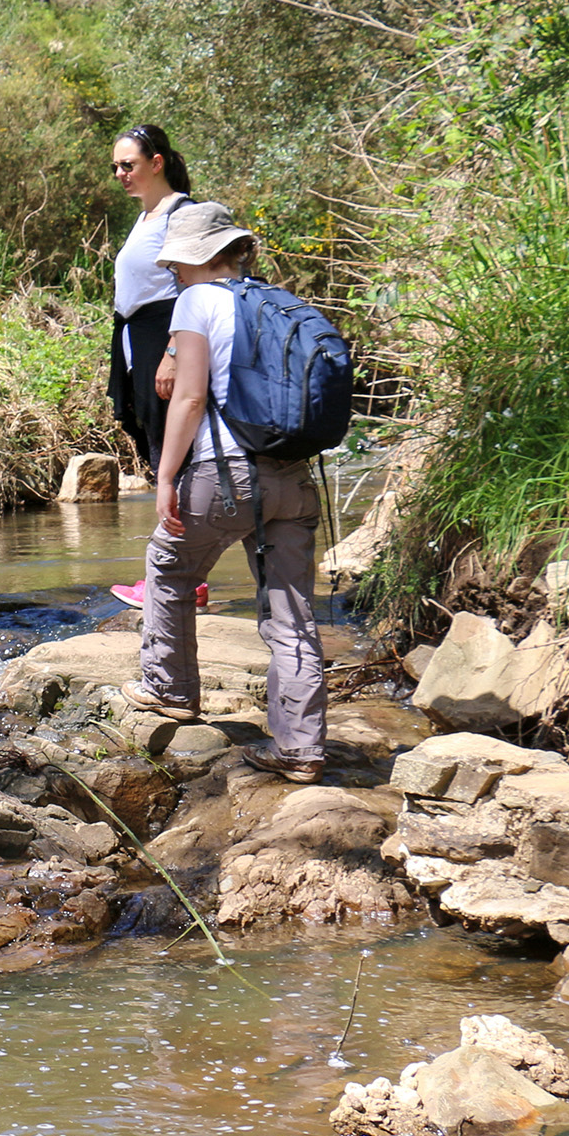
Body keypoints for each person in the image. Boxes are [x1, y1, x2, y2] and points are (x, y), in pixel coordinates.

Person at [120, 202, 327, 782]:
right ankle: (302, 749)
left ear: (197, 258)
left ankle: (170, 689)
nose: (173, 273)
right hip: (294, 476)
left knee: (169, 566)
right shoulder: (279, 301)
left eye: (176, 264)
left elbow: (189, 398)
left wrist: (166, 477)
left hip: (226, 472)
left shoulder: (197, 301)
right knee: (292, 612)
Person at [103, 124, 209, 613]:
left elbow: (193, 287)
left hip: (165, 341)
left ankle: (178, 579)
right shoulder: (147, 217)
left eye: (129, 165)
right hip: (137, 342)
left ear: (157, 163)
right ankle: (182, 576)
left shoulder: (180, 214)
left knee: (175, 457)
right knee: (159, 453)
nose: (120, 174)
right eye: (115, 167)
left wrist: (172, 353)